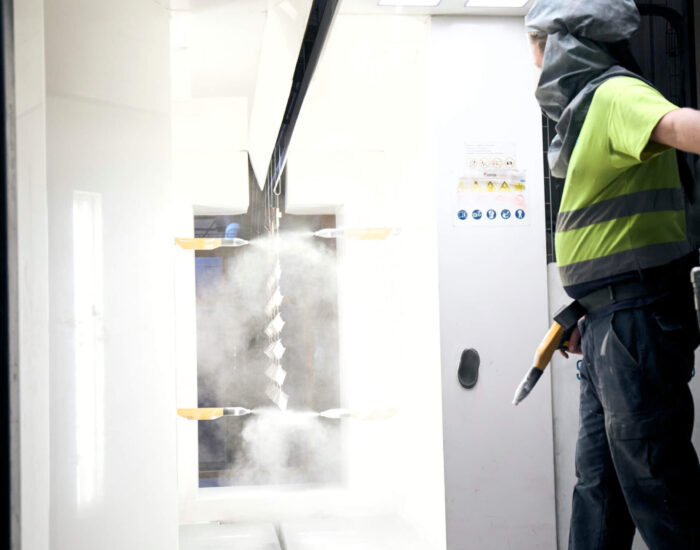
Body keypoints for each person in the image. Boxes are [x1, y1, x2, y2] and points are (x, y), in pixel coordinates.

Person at [526, 1, 700, 548]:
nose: (532, 58)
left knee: (657, 482)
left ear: (561, 42)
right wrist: (591, 308)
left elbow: (681, 126)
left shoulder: (612, 93)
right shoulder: (585, 112)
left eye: (534, 42)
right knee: (599, 489)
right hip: (608, 324)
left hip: (635, 321)